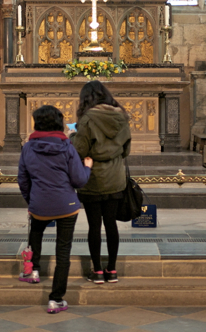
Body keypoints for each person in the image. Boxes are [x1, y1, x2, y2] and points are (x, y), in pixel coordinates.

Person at [18, 105, 93, 314]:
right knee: (63, 252)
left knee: (36, 232)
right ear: (59, 122)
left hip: (39, 204)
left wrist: (31, 201)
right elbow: (78, 180)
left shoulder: (28, 147)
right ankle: (56, 299)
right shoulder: (67, 147)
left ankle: (33, 271)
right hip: (66, 206)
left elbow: (23, 180)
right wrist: (87, 166)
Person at [70, 80, 131, 284]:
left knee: (94, 226)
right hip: (115, 177)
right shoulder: (121, 117)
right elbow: (126, 150)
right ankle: (112, 270)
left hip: (93, 177)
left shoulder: (87, 119)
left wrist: (72, 136)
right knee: (111, 224)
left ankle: (97, 271)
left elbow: (80, 150)